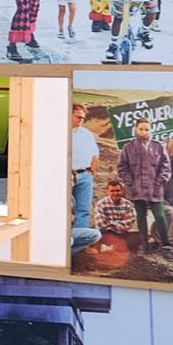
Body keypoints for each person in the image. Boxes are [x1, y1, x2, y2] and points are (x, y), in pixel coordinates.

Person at [117, 120, 173, 245]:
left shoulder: (158, 146)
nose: (144, 132)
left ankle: (166, 245)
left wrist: (159, 181)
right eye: (141, 129)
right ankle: (144, 244)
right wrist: (129, 182)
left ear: (151, 130)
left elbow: (166, 166)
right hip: (136, 188)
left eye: (147, 129)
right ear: (135, 129)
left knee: (160, 216)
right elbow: (122, 167)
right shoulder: (128, 147)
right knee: (141, 216)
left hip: (155, 188)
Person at [70, 103, 102, 250]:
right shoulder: (59, 133)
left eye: (83, 117)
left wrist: (91, 172)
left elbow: (95, 154)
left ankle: (80, 245)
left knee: (83, 210)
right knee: (65, 208)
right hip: (68, 176)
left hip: (85, 175)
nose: (81, 119)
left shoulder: (86, 134)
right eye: (78, 116)